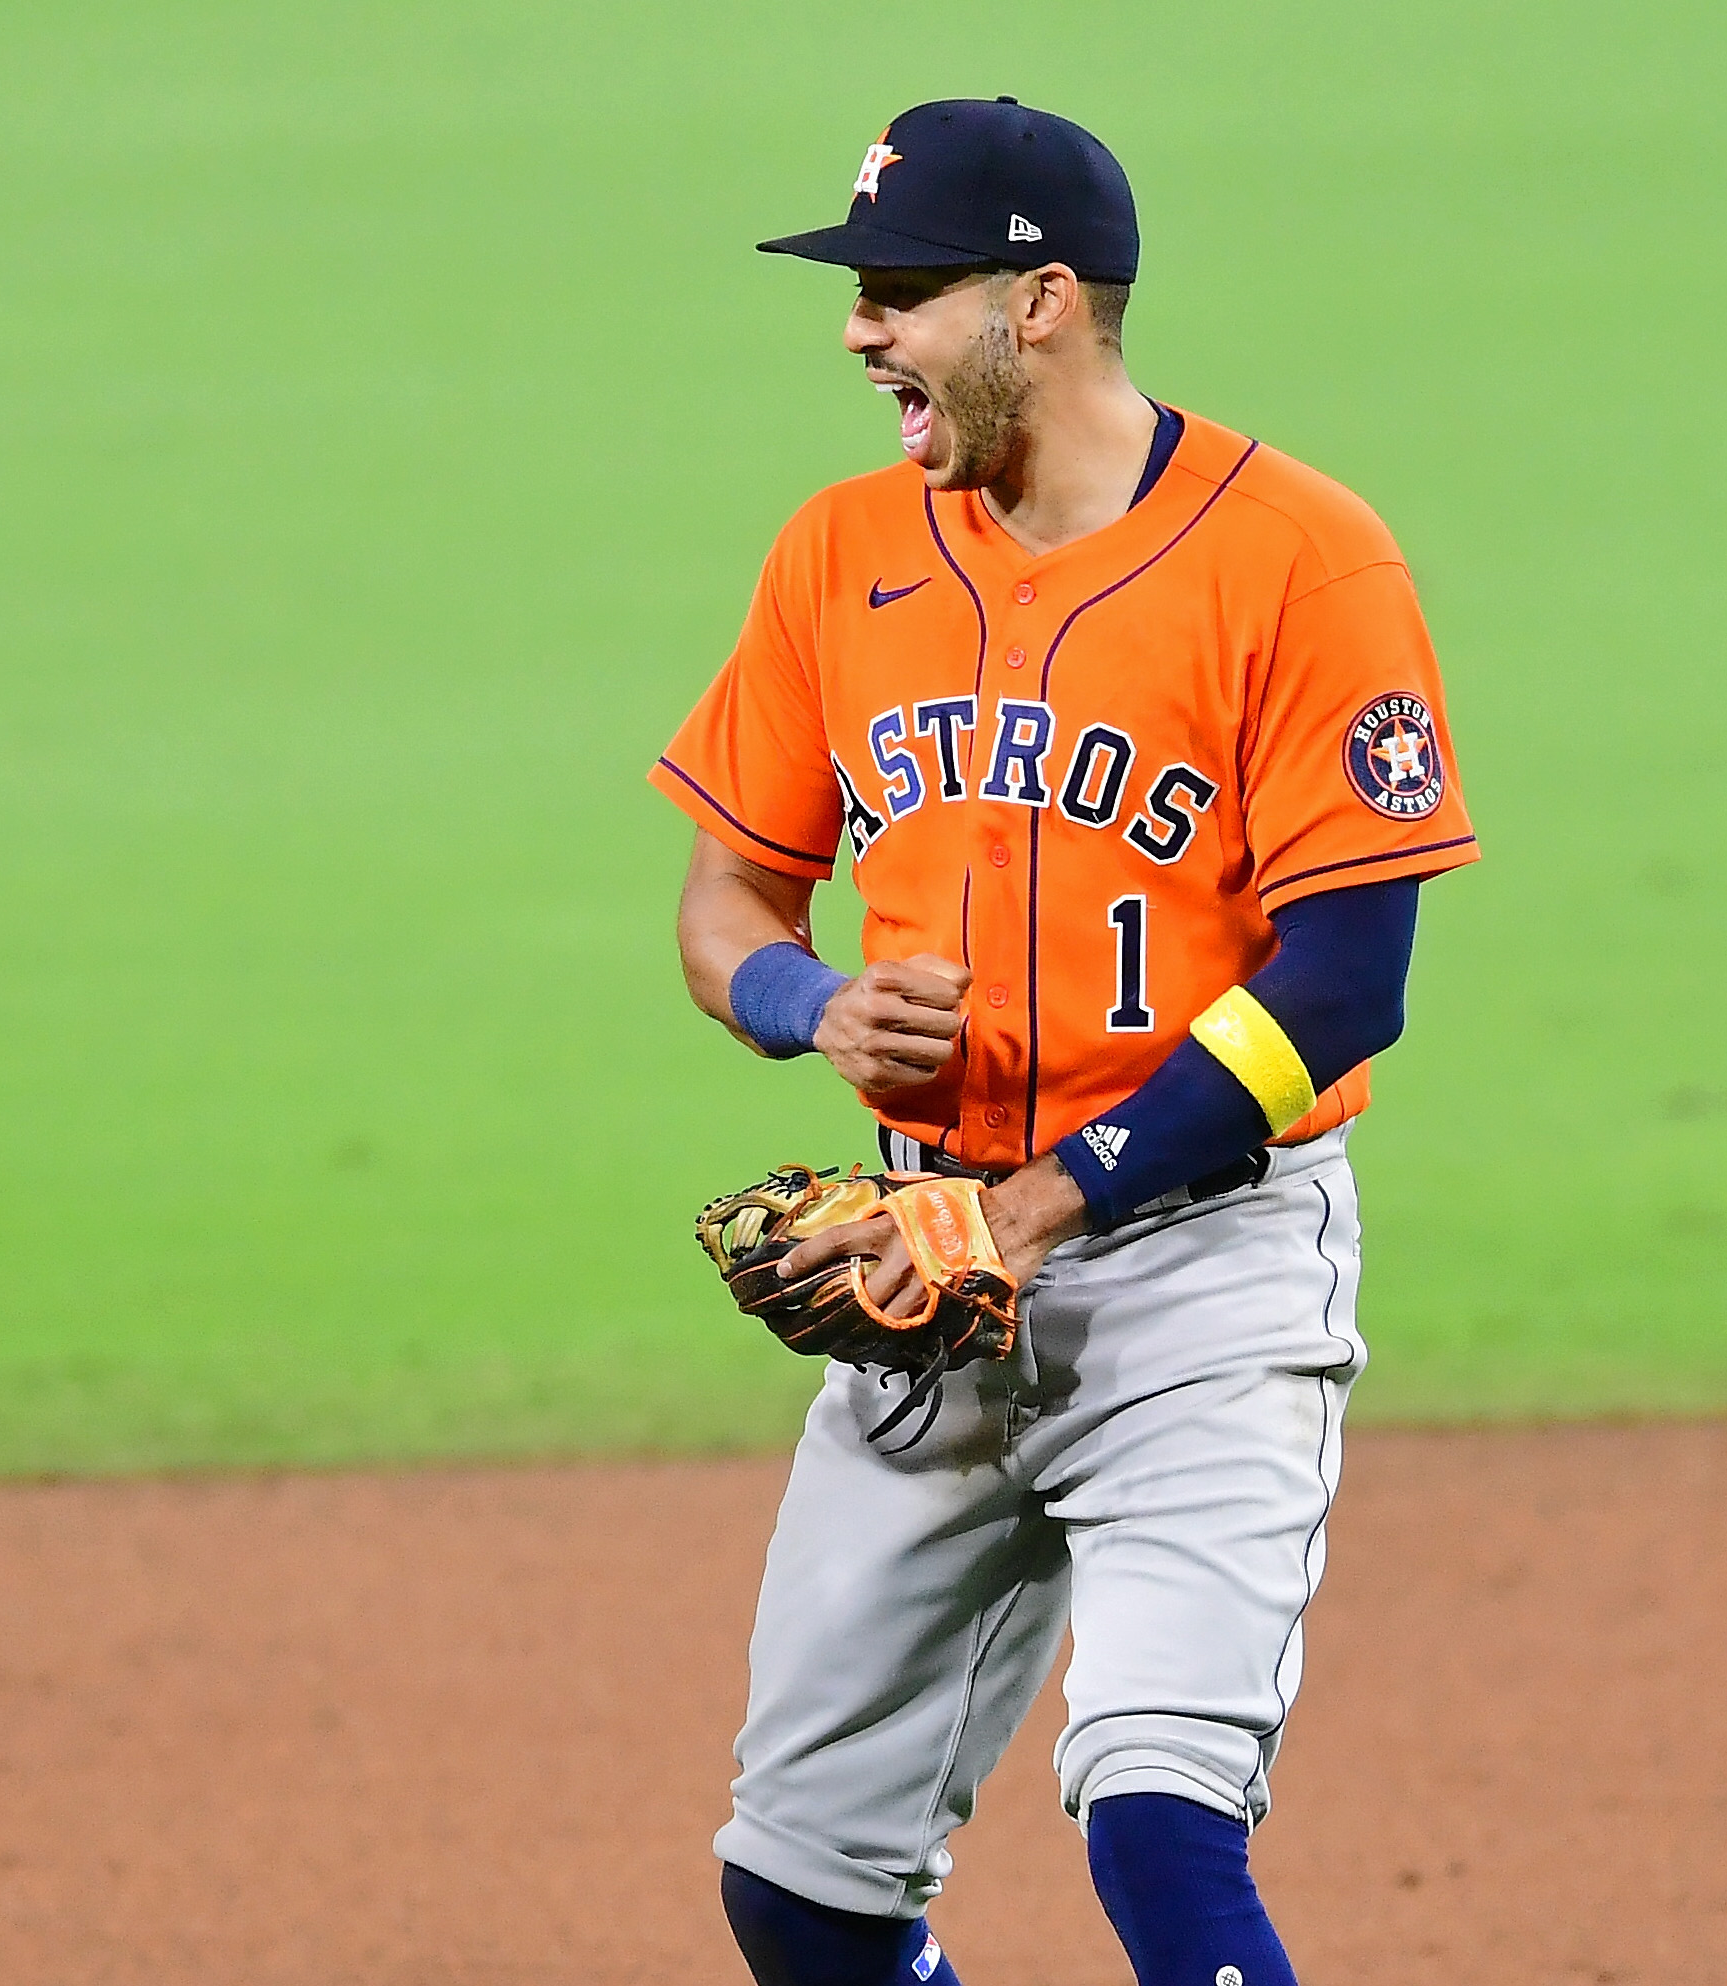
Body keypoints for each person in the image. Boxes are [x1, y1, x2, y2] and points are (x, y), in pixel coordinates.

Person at [650, 100, 1478, 1986]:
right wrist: (809, 1001)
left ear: (1039, 304)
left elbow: (1348, 977)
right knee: (799, 1894)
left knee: (1156, 1819)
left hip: (1200, 1271)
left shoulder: (1300, 558)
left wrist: (1042, 1206)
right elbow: (723, 910)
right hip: (916, 1271)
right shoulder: (838, 554)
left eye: (897, 294)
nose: (859, 333)